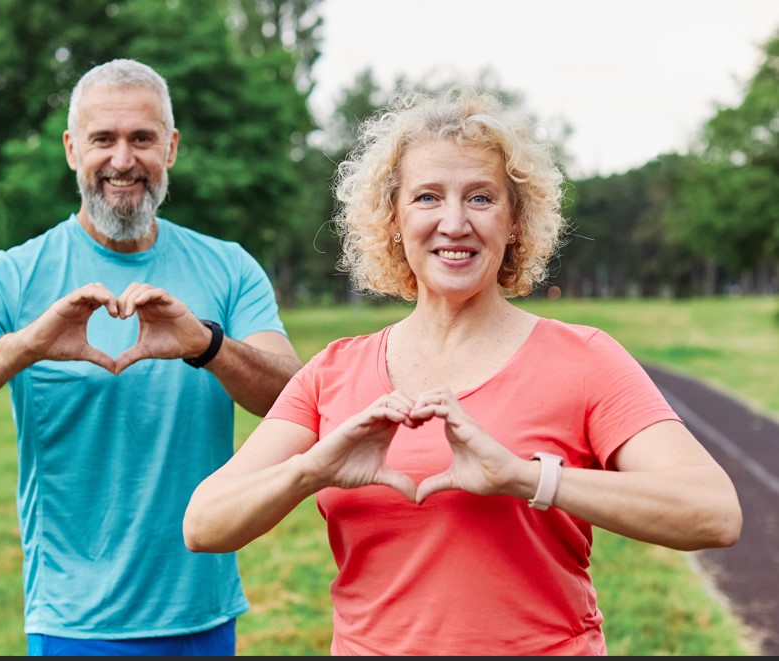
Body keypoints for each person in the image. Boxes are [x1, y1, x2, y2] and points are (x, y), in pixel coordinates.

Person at [182, 87, 743, 656]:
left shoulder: (586, 359)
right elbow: (203, 525)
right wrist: (310, 470)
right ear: (393, 219)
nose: (454, 223)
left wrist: (527, 479)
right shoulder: (333, 371)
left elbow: (712, 513)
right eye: (427, 197)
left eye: (480, 198)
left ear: (515, 221)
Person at [0, 59, 302, 656]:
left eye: (142, 138)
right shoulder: (15, 275)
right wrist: (25, 345)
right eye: (104, 139)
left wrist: (207, 345)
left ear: (171, 148)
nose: (123, 160)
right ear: (73, 149)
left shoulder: (229, 267)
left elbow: (299, 401)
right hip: (74, 623)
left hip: (202, 613)